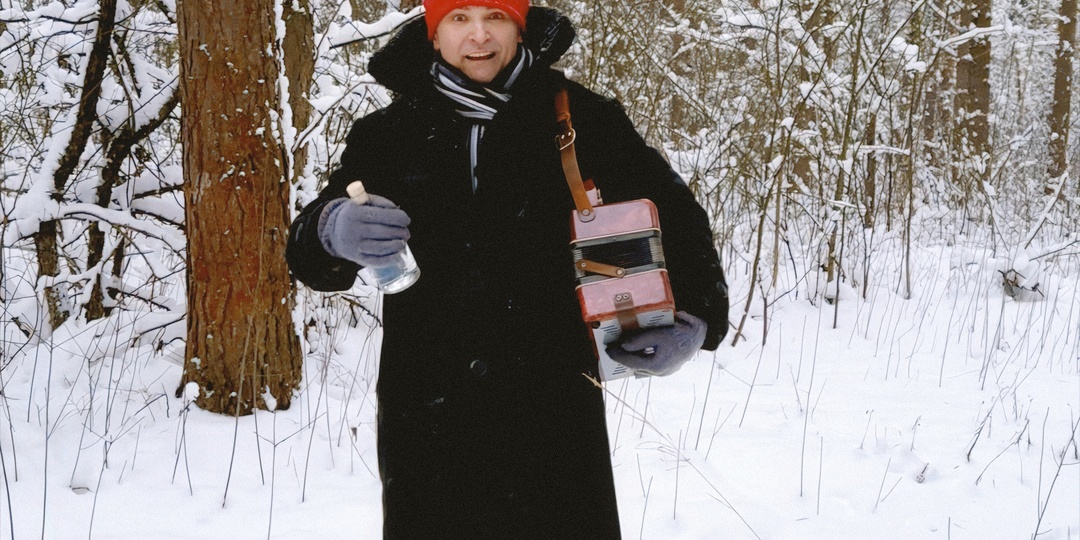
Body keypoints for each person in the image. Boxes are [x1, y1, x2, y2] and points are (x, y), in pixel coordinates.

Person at [286, 1, 729, 537]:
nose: (479, 36)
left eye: (495, 16)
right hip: (428, 404)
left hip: (551, 400)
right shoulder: (387, 135)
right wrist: (331, 229)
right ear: (433, 34)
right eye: (458, 19)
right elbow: (311, 252)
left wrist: (696, 318)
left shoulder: (582, 119)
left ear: (519, 28)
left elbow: (677, 213)